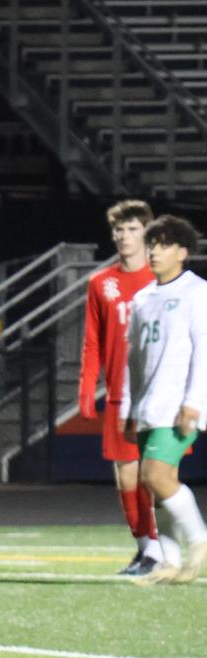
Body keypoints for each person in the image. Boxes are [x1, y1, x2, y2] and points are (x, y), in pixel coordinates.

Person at [119, 214, 207, 585]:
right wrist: (129, 406)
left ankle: (200, 539)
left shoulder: (196, 292)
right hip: (149, 406)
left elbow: (204, 350)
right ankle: (171, 562)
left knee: (155, 476)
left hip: (178, 406)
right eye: (152, 244)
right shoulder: (142, 299)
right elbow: (134, 359)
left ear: (183, 252)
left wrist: (194, 402)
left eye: (164, 245)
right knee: (156, 484)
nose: (154, 251)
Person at [80, 199, 162, 575]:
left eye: (131, 229)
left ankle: (166, 547)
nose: (124, 236)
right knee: (126, 477)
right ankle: (146, 548)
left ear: (147, 233)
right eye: (118, 230)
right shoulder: (102, 283)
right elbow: (93, 341)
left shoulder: (164, 280)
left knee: (159, 475)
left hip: (160, 394)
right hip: (119, 395)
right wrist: (87, 388)